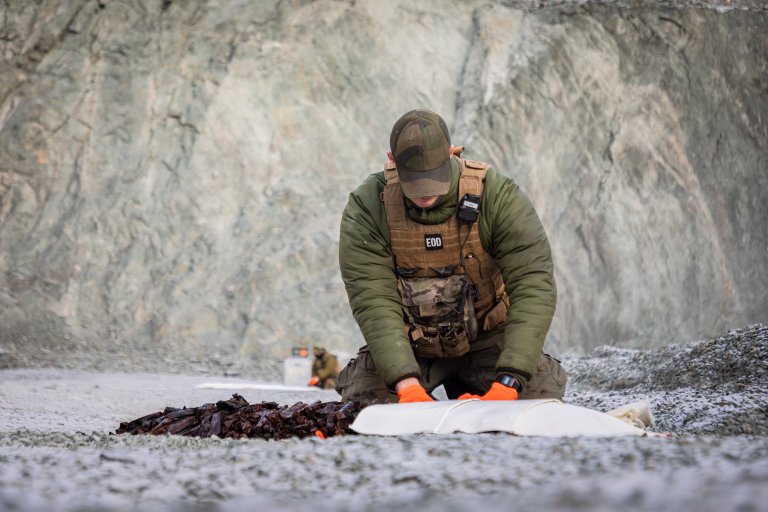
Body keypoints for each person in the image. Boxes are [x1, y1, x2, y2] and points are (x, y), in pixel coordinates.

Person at [336, 109, 566, 404]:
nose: (425, 194)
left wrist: (511, 378)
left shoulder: (497, 196)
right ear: (391, 160)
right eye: (416, 182)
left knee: (538, 400)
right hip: (413, 346)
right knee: (365, 406)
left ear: (451, 152)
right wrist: (405, 383)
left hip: (489, 340)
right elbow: (373, 298)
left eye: (433, 178)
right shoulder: (368, 206)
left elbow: (533, 283)